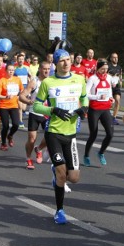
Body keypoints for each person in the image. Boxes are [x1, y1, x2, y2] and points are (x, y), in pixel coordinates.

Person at [32, 49, 88, 224]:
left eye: (68, 60)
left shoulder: (79, 79)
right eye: (62, 60)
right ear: (56, 63)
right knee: (62, 175)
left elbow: (85, 99)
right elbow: (36, 106)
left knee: (74, 178)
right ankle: (59, 211)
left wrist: (83, 109)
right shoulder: (48, 82)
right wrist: (53, 109)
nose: (66, 63)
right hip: (54, 132)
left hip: (70, 135)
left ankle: (56, 172)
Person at [20, 60, 51, 169]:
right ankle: (28, 158)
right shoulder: (34, 82)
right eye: (44, 69)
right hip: (35, 112)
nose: (47, 71)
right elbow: (22, 96)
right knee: (32, 138)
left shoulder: (52, 81)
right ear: (40, 69)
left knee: (50, 137)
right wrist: (29, 102)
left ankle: (39, 149)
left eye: (48, 69)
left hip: (47, 114)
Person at [83, 59, 115, 166]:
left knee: (110, 134)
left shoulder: (109, 78)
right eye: (102, 69)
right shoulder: (93, 79)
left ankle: (101, 153)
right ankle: (86, 155)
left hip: (105, 109)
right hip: (94, 109)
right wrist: (97, 97)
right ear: (98, 68)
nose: (104, 71)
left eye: (106, 69)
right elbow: (86, 94)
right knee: (93, 134)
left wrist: (111, 98)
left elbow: (109, 91)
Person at [0, 63, 24, 151]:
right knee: (6, 125)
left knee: (16, 124)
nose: (11, 71)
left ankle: (10, 136)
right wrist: (5, 97)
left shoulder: (17, 79)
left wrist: (20, 94)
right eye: (9, 70)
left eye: (12, 70)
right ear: (6, 70)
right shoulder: (2, 80)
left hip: (14, 105)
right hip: (3, 106)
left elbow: (22, 89)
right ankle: (3, 143)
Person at [107, 52, 123, 125]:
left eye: (116, 57)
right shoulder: (108, 66)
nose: (115, 59)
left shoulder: (119, 67)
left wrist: (120, 81)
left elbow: (120, 75)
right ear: (111, 58)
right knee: (108, 104)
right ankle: (106, 116)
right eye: (114, 57)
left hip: (116, 87)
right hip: (109, 87)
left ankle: (114, 118)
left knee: (117, 100)